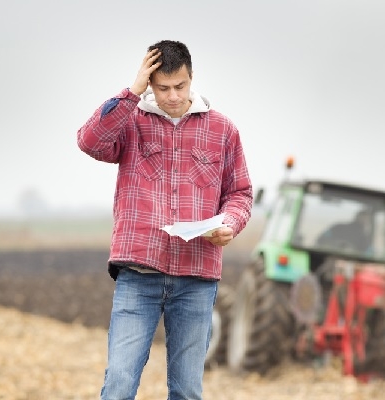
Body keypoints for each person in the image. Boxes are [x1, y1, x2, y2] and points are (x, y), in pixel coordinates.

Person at [77, 40, 253, 400]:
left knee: (187, 390)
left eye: (180, 86)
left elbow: (240, 193)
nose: (172, 96)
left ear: (191, 78)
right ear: (150, 83)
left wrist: (230, 224)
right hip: (138, 275)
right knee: (120, 383)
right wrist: (132, 92)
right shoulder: (130, 121)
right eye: (162, 88)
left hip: (196, 279)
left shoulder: (223, 130)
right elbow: (90, 142)